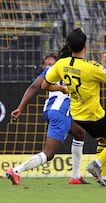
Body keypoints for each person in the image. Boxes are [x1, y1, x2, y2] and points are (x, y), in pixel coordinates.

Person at [41, 28, 106, 186]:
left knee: (104, 139)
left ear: (69, 47)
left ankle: (105, 178)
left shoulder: (61, 64)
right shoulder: (92, 67)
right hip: (93, 115)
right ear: (85, 46)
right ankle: (96, 164)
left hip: (76, 115)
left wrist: (62, 88)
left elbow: (44, 85)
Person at [6, 50, 90, 185]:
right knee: (49, 154)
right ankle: (15, 171)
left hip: (50, 110)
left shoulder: (53, 69)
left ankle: (75, 177)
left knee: (80, 133)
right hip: (61, 113)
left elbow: (34, 86)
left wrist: (20, 108)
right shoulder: (79, 69)